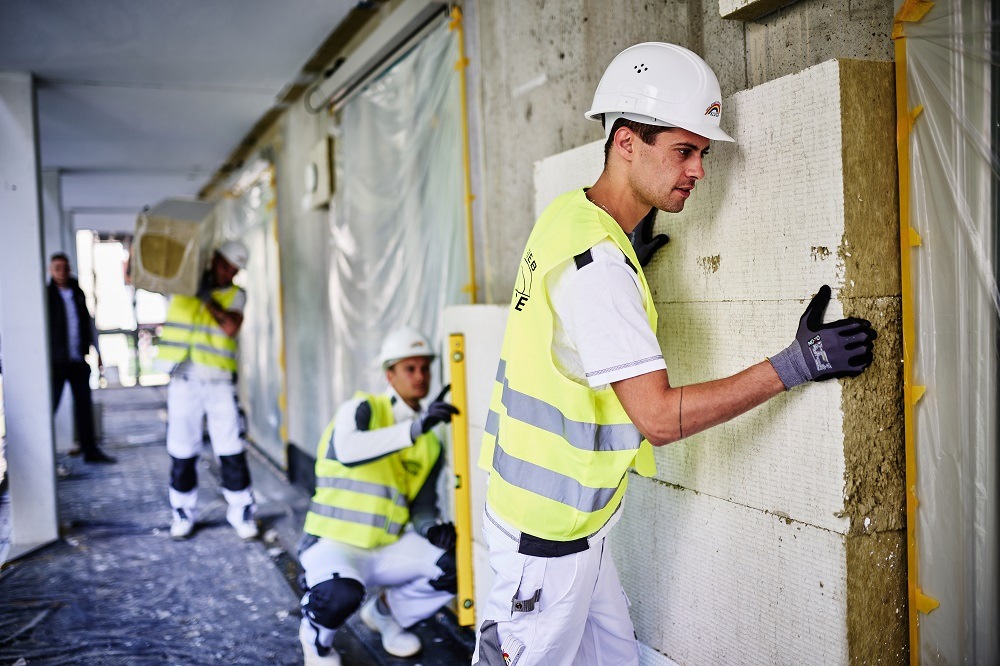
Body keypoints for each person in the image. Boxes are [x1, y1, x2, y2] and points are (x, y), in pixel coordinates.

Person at [472, 42, 878, 666]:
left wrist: (627, 259)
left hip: (556, 522)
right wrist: (795, 365)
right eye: (683, 151)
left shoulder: (571, 217)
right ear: (627, 140)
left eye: (702, 154)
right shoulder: (599, 267)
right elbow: (657, 420)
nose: (698, 171)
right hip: (546, 548)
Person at [297, 327, 460, 665]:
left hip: (386, 548)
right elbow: (348, 449)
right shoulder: (362, 408)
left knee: (457, 566)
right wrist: (415, 428)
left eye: (425, 368)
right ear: (390, 374)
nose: (420, 376)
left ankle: (386, 615)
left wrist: (430, 528)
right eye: (409, 368)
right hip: (333, 544)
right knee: (338, 596)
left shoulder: (431, 441)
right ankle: (316, 642)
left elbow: (423, 506)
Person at [156, 240, 258, 541]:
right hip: (183, 379)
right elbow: (147, 277)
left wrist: (207, 300)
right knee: (182, 448)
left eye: (235, 270)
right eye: (226, 266)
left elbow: (230, 327)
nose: (229, 274)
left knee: (231, 447)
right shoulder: (181, 285)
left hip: (218, 381)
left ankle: (241, 512)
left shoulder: (235, 294)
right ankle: (183, 512)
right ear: (213, 259)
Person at [47, 252, 115, 464]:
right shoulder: (46, 295)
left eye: (65, 267)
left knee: (84, 407)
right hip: (56, 363)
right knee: (50, 406)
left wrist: (98, 353)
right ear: (51, 270)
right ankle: (45, 453)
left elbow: (88, 323)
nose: (62, 271)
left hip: (78, 360)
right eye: (57, 267)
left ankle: (90, 451)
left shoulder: (77, 291)